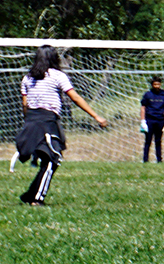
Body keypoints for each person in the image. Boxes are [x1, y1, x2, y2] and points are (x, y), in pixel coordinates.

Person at [14, 45, 109, 206]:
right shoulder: (57, 75)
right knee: (53, 159)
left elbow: (25, 104)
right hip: (47, 121)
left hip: (32, 120)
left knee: (49, 158)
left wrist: (29, 124)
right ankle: (36, 198)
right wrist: (96, 116)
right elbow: (75, 98)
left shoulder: (27, 77)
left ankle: (30, 194)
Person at [140, 76, 164, 163]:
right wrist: (143, 121)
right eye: (155, 84)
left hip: (160, 120)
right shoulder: (147, 95)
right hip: (150, 120)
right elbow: (143, 108)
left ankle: (159, 160)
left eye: (158, 84)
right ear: (152, 85)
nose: (156, 86)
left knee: (158, 141)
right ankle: (145, 160)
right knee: (148, 141)